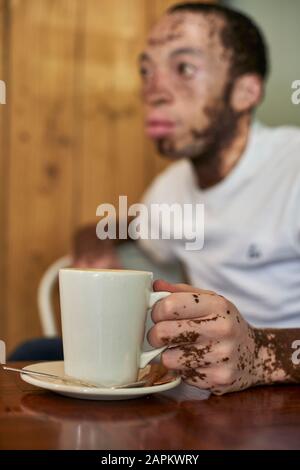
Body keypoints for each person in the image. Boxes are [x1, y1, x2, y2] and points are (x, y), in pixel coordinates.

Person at [10, 3, 300, 396]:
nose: (153, 89)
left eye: (183, 68)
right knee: (34, 354)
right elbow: (129, 221)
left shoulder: (291, 169)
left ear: (245, 91)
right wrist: (95, 241)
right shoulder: (171, 189)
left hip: (283, 398)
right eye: (146, 70)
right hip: (206, 398)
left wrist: (262, 352)